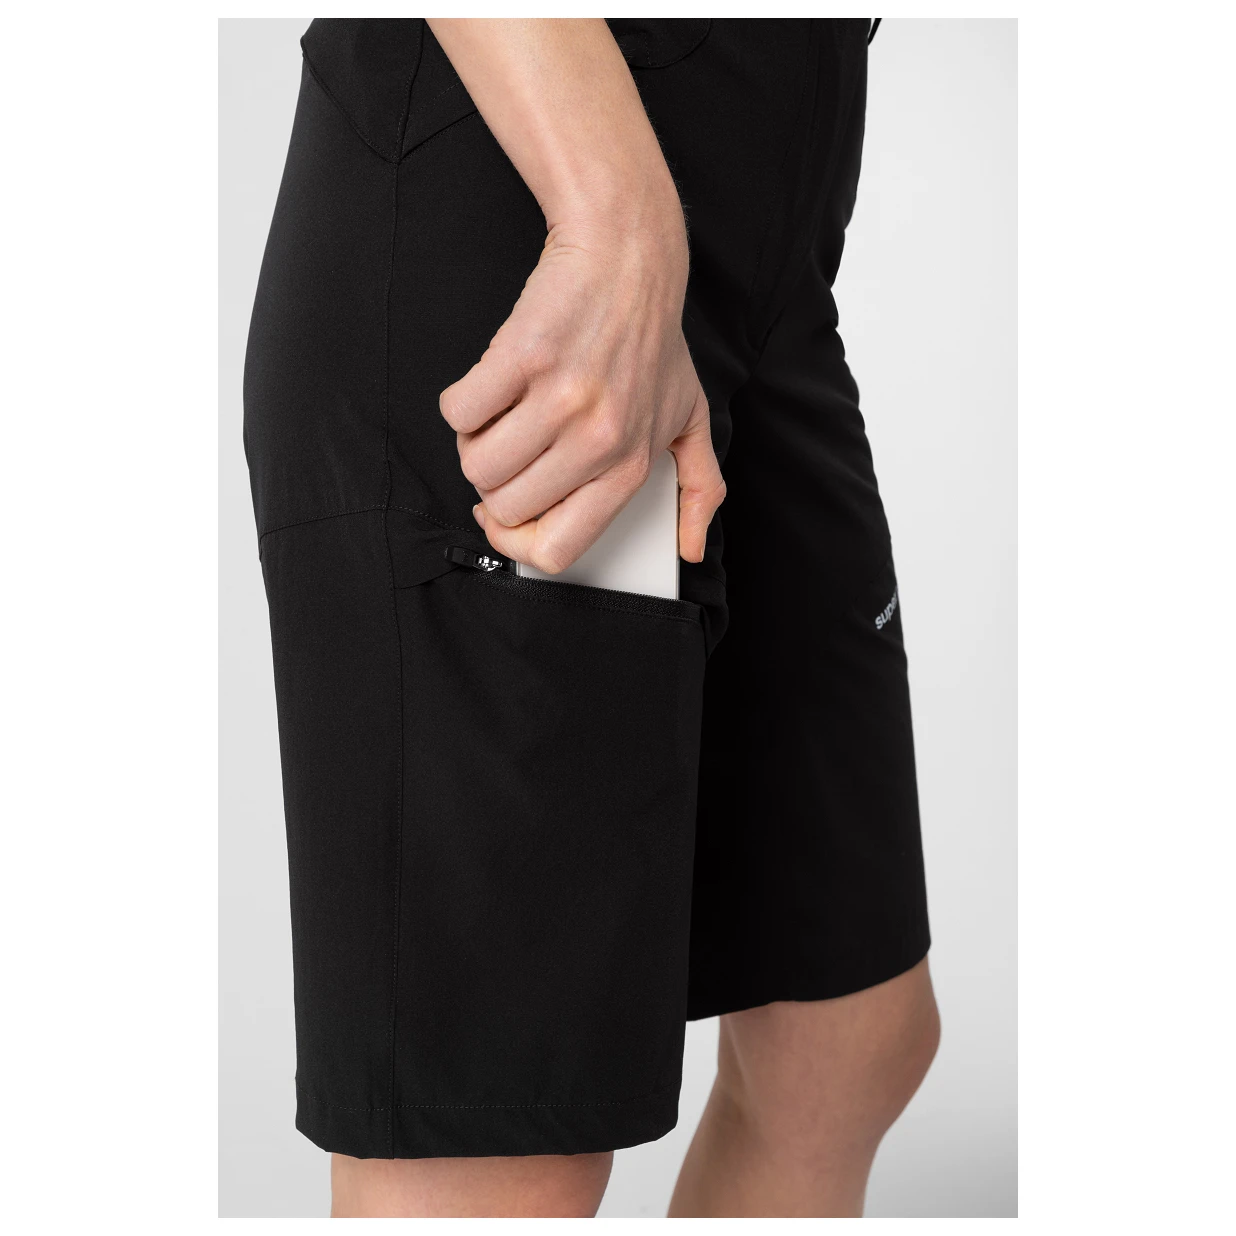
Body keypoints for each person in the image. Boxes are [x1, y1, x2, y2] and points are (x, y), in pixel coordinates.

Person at [243, 17, 938, 1218]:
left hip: (763, 240)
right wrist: (615, 223)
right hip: (547, 203)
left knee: (845, 1031)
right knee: (496, 1147)